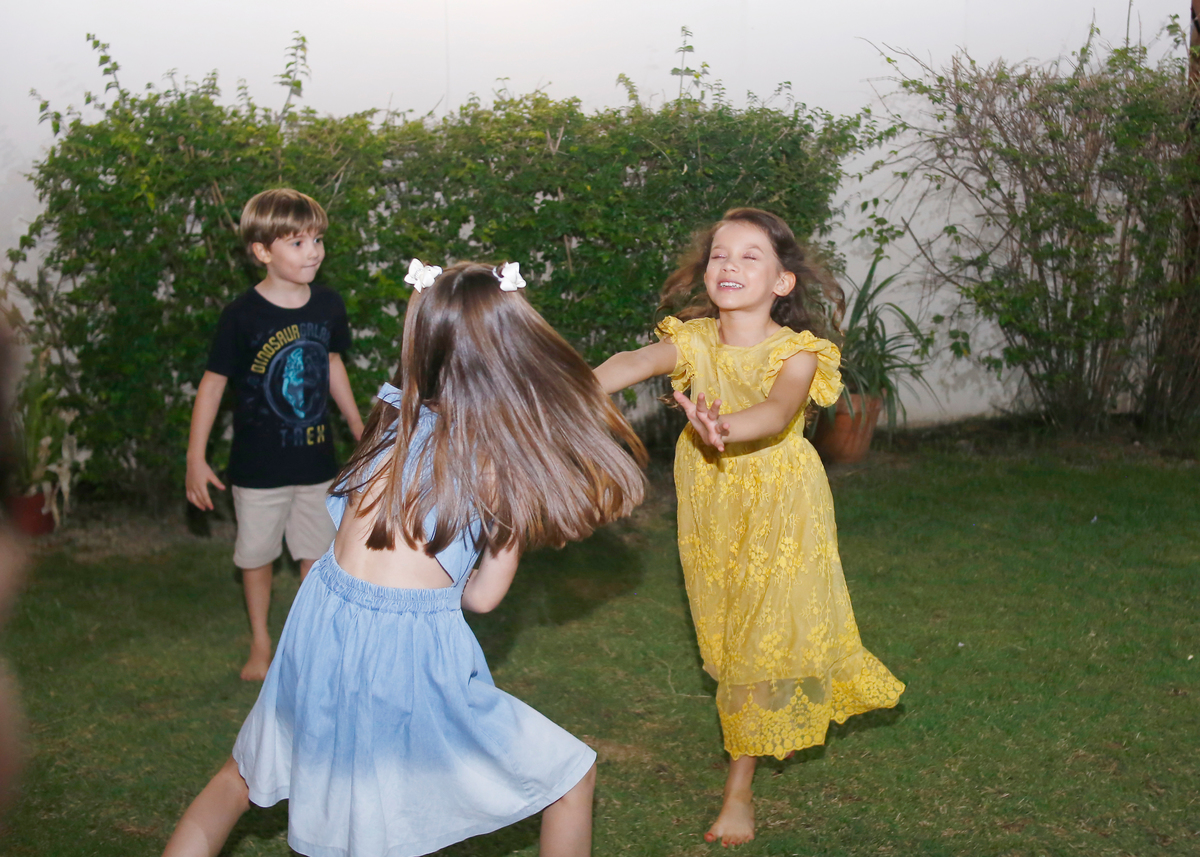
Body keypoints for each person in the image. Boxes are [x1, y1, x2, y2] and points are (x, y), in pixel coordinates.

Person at [162, 259, 647, 857]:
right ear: (516, 351)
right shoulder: (498, 465)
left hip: (322, 616)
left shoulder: (392, 417)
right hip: (405, 647)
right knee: (568, 778)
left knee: (241, 776)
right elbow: (483, 598)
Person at [594, 208, 905, 847]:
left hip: (781, 504)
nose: (729, 265)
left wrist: (724, 426)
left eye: (749, 256)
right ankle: (759, 725)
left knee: (759, 639)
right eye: (719, 254)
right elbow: (634, 360)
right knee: (730, 631)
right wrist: (566, 390)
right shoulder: (693, 341)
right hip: (711, 505)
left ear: (782, 282)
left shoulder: (797, 353)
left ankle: (739, 791)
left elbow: (776, 411)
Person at [185, 188, 364, 681]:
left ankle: (304, 646)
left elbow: (332, 363)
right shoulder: (242, 315)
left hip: (316, 464)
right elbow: (212, 385)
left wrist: (356, 423)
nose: (314, 252)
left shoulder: (327, 304)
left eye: (318, 240)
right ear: (262, 251)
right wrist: (195, 458)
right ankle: (261, 643)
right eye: (298, 242)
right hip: (258, 469)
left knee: (316, 558)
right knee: (256, 556)